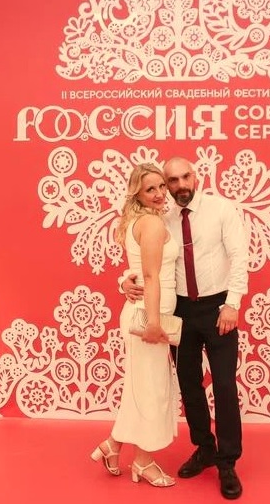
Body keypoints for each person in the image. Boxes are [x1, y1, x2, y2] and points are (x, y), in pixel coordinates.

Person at [122, 157, 249, 499]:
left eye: (184, 177)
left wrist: (232, 304)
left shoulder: (221, 209)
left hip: (218, 307)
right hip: (180, 310)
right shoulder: (161, 216)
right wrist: (125, 281)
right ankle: (204, 449)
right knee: (189, 384)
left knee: (224, 385)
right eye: (172, 181)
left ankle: (227, 462)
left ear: (196, 177)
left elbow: (239, 257)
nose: (179, 185)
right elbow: (147, 262)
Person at [91, 163, 179, 488]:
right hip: (147, 316)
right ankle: (143, 462)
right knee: (150, 390)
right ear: (137, 194)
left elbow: (137, 270)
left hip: (145, 311)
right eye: (150, 189)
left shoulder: (143, 220)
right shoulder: (152, 224)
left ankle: (112, 446)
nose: (159, 194)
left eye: (161, 186)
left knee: (141, 387)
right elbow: (151, 276)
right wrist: (153, 323)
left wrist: (124, 282)